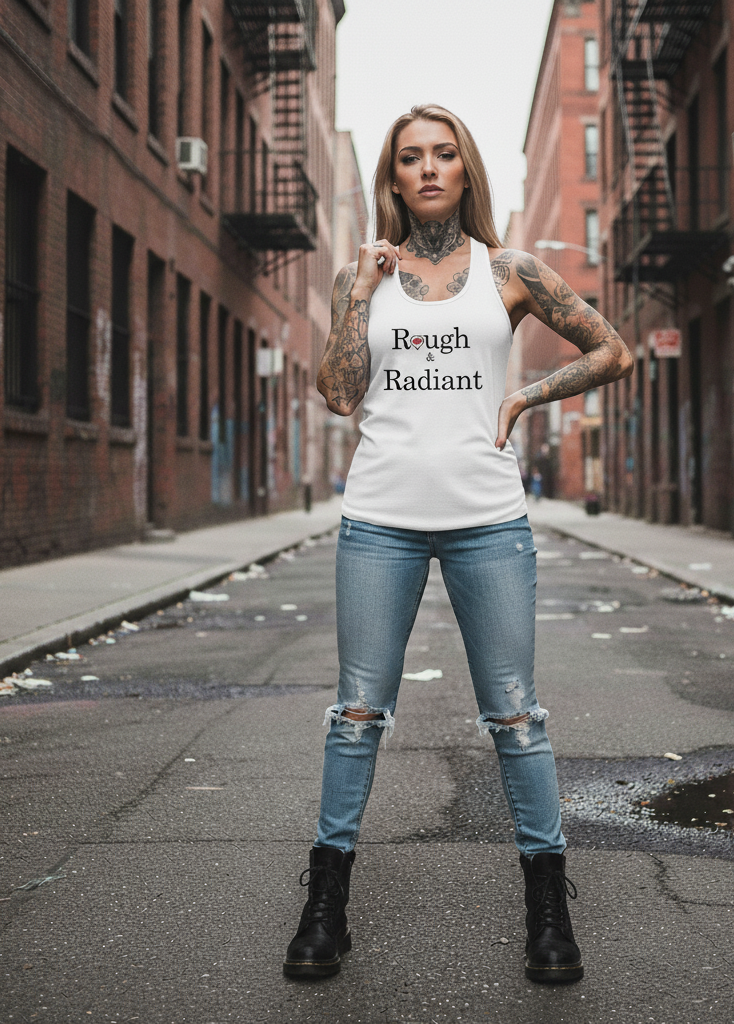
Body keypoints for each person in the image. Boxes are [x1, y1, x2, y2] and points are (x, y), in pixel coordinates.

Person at [283, 104, 632, 983]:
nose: (429, 168)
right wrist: (360, 296)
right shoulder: (363, 274)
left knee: (515, 716)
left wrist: (524, 399)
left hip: (487, 519)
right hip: (380, 518)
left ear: (466, 170)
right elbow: (336, 392)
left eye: (444, 154)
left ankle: (548, 910)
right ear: (392, 178)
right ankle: (326, 907)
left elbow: (611, 350)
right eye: (411, 158)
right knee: (357, 714)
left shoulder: (508, 270)